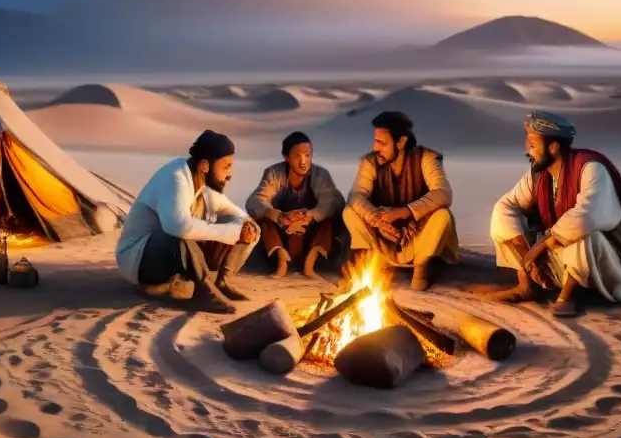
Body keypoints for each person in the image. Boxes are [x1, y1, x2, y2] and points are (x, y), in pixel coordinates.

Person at [486, 110, 621, 317]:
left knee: (583, 232)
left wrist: (540, 246)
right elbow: (508, 205)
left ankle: (569, 297)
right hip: (563, 262)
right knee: (502, 214)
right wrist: (524, 254)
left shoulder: (590, 167)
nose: (528, 150)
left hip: (611, 270)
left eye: (533, 145)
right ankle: (527, 285)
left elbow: (589, 214)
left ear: (553, 147)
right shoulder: (538, 175)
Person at [115, 129, 260, 314]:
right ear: (205, 166)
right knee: (178, 233)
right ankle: (203, 291)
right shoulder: (175, 177)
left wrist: (244, 228)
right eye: (226, 166)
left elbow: (239, 216)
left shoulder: (202, 187)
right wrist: (232, 232)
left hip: (169, 258)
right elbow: (178, 226)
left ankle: (221, 281)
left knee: (249, 228)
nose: (230, 174)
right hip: (138, 260)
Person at [342, 111, 459, 291]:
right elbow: (356, 196)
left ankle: (422, 266)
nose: (376, 148)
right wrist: (377, 219)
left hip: (416, 237)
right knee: (349, 212)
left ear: (401, 142)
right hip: (385, 238)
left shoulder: (427, 159)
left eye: (381, 143)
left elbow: (443, 193)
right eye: (375, 141)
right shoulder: (370, 162)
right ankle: (370, 262)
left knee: (442, 215)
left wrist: (403, 213)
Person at [246, 131, 345, 278]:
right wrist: (280, 217)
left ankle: (310, 263)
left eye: (307, 155)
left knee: (329, 216)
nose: (303, 161)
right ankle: (281, 260)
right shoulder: (274, 173)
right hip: (283, 231)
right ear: (287, 157)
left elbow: (332, 201)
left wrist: (309, 216)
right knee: (263, 215)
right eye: (298, 156)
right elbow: (255, 201)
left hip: (309, 232)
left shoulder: (320, 174)